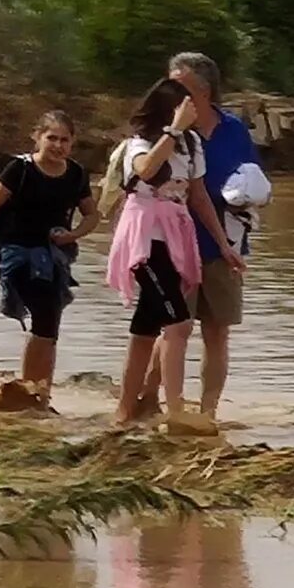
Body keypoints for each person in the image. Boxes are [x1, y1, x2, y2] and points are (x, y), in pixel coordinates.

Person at [104, 77, 244, 427]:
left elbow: (197, 196)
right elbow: (145, 170)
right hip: (144, 240)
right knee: (178, 323)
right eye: (187, 105)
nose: (195, 111)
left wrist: (224, 245)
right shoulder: (139, 143)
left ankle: (124, 409)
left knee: (145, 328)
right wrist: (173, 130)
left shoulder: (191, 144)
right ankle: (176, 409)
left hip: (176, 237)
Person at [0, 109, 93, 407]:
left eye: (65, 140)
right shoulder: (19, 169)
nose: (58, 146)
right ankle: (31, 393)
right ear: (37, 137)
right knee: (45, 320)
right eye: (52, 138)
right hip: (17, 256)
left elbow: (93, 215)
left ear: (72, 143)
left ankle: (39, 394)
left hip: (55, 257)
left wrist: (73, 235)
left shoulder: (76, 174)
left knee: (49, 326)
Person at [168, 51, 263, 422]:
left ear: (203, 91)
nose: (170, 93)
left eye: (180, 86)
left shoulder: (234, 129)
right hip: (174, 243)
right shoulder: (168, 131)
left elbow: (252, 176)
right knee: (173, 330)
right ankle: (165, 406)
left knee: (217, 332)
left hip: (226, 244)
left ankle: (208, 413)